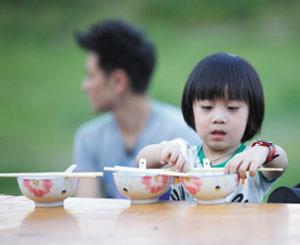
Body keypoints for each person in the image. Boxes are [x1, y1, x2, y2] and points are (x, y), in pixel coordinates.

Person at [136, 52, 288, 203]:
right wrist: (163, 152)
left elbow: (281, 163)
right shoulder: (183, 157)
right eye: (207, 107)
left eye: (232, 108)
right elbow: (142, 161)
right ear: (192, 111)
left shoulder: (250, 163)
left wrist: (264, 150)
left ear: (251, 114)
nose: (219, 118)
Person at [73, 19, 200, 198]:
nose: (85, 86)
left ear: (118, 81)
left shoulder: (185, 134)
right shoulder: (89, 139)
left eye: (91, 75)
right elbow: (85, 211)